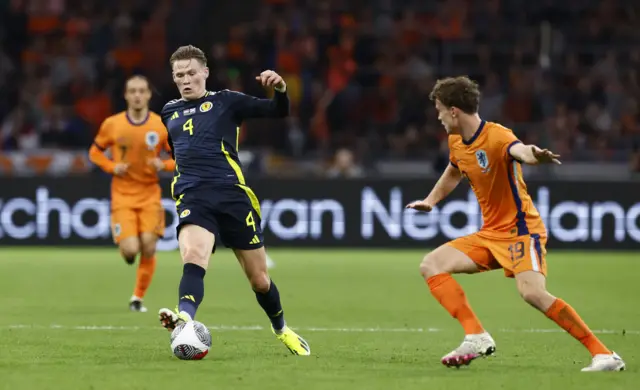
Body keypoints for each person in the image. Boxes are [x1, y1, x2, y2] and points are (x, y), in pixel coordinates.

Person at [406, 76, 625, 372]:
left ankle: (604, 355)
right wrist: (430, 201)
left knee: (532, 293)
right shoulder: (456, 142)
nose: (438, 116)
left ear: (454, 110)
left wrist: (534, 156)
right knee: (431, 265)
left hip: (521, 232)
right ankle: (475, 335)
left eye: (440, 110)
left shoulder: (497, 136)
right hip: (490, 234)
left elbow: (519, 150)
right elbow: (453, 171)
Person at [157, 45, 310, 356]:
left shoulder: (226, 102)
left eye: (190, 73)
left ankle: (281, 328)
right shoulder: (169, 111)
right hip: (193, 195)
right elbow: (179, 153)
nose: (185, 80)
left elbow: (277, 111)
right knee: (194, 255)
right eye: (179, 75)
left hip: (232, 195)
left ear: (205, 73)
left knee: (259, 280)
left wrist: (280, 89)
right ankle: (184, 319)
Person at [89, 75, 175, 313]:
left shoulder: (160, 125)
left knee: (148, 247)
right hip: (123, 196)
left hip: (150, 195)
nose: (137, 95)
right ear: (126, 95)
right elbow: (94, 153)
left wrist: (163, 165)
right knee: (130, 251)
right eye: (132, 91)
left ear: (148, 95)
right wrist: (111, 167)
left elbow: (179, 158)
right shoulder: (112, 124)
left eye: (141, 91)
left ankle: (137, 298)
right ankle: (127, 250)